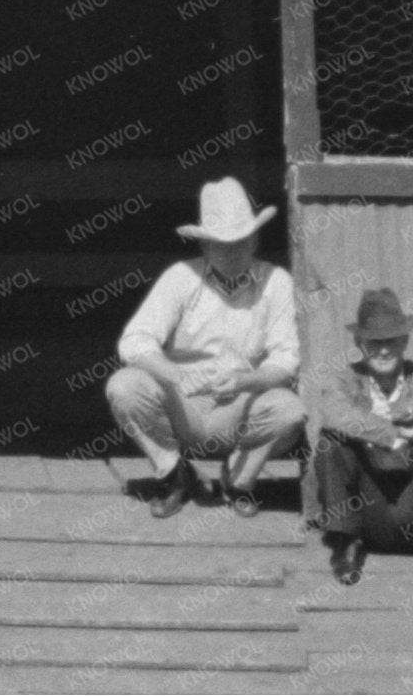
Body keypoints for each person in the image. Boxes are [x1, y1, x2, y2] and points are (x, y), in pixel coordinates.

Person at [105, 177, 305, 517]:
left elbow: (287, 360)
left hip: (239, 408)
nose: (231, 252)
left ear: (255, 240)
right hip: (183, 406)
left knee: (292, 411)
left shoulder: (277, 283)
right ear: (204, 246)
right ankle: (174, 474)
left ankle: (238, 480)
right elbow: (135, 341)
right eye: (220, 244)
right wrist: (175, 374)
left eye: (240, 242)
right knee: (123, 386)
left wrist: (245, 382)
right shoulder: (181, 277)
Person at [300, 285, 413, 588]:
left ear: (404, 341)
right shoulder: (345, 379)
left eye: (391, 340)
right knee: (331, 442)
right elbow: (336, 414)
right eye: (373, 342)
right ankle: (347, 543)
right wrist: (393, 436)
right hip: (368, 506)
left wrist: (392, 412)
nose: (382, 350)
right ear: (359, 343)